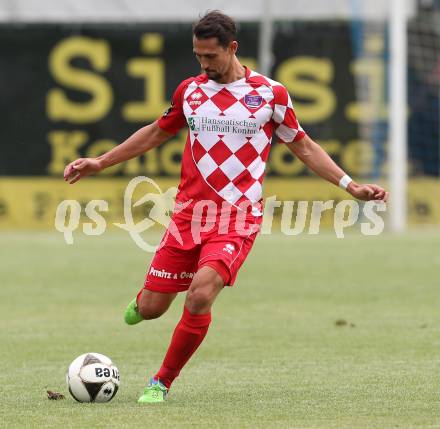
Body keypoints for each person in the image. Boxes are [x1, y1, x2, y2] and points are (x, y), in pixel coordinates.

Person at [64, 11, 388, 403]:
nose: (204, 64)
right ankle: (143, 301)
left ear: (232, 48)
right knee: (152, 309)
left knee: (200, 295)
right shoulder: (190, 91)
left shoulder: (271, 94)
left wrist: (349, 185)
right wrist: (100, 162)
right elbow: (154, 132)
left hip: (238, 217)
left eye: (210, 56)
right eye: (198, 56)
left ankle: (161, 382)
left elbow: (303, 145)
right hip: (188, 216)